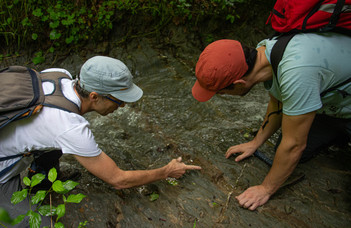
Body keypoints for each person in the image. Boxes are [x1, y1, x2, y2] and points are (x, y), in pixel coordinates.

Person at [0, 56, 201, 227]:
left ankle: (41, 182)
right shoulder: (70, 126)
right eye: (119, 100)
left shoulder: (59, 75)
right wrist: (166, 171)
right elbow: (118, 179)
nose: (122, 106)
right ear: (95, 96)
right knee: (40, 224)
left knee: (53, 143)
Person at [191, 33, 351, 210]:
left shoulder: (296, 73)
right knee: (283, 156)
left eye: (220, 92)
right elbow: (278, 100)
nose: (221, 96)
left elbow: (294, 145)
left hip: (342, 107)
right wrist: (255, 143)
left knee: (291, 151)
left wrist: (266, 189)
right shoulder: (266, 51)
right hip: (332, 105)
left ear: (238, 84)